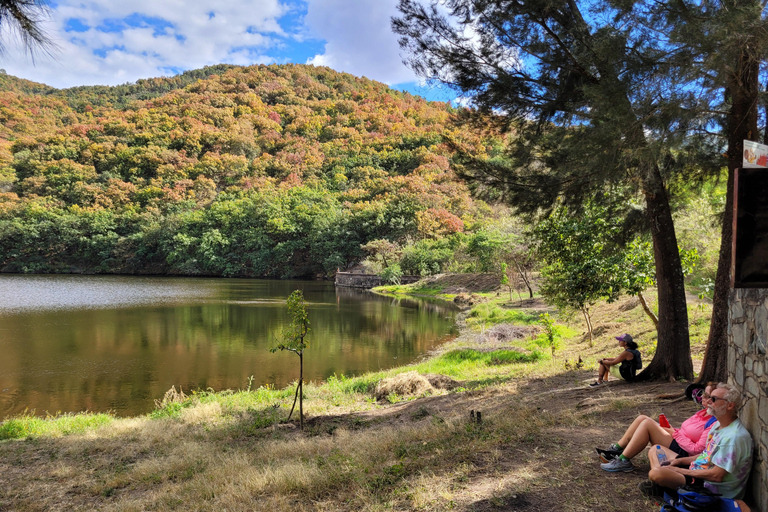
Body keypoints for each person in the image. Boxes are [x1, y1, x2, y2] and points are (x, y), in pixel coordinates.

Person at [639, 383, 753, 502]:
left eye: (713, 399)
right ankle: (665, 486)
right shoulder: (718, 425)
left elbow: (716, 476)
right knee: (656, 450)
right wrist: (679, 461)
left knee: (656, 473)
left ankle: (665, 486)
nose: (708, 401)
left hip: (708, 488)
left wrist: (680, 470)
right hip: (697, 472)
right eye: (708, 397)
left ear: (730, 406)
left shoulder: (733, 438)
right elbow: (707, 454)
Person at [598, 383, 717, 472]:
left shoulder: (713, 422)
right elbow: (685, 431)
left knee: (647, 424)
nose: (702, 397)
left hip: (684, 453)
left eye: (707, 396)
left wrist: (674, 434)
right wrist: (672, 430)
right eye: (703, 394)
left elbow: (697, 450)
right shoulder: (703, 413)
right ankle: (617, 450)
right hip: (678, 441)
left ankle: (623, 460)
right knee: (643, 418)